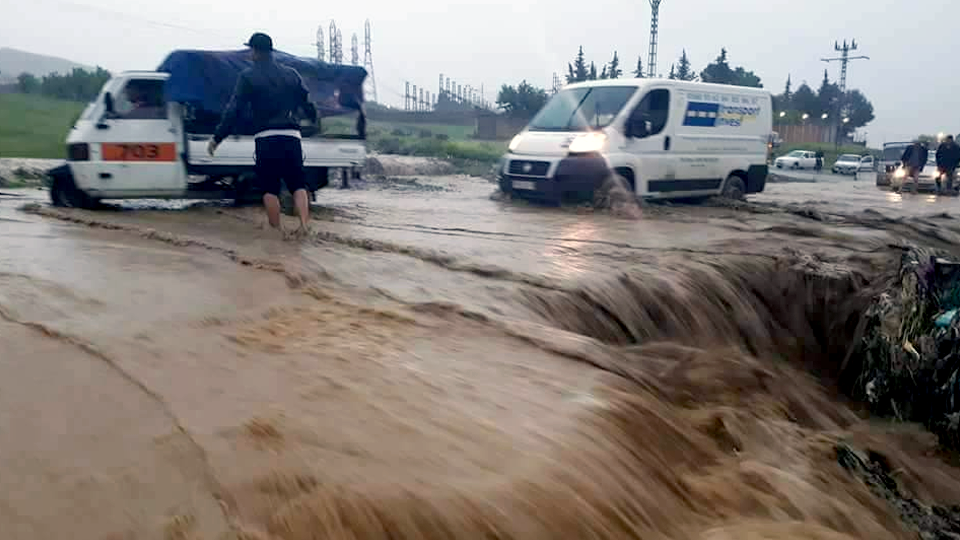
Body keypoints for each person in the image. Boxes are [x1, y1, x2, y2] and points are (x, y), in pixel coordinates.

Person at [207, 32, 317, 236]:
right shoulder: (291, 74)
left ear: (255, 51)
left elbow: (234, 109)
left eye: (251, 50)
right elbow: (307, 103)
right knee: (298, 183)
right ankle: (304, 225)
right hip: (292, 135)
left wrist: (217, 137)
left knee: (270, 187)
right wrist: (313, 121)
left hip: (266, 138)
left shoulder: (248, 76)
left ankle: (277, 231)